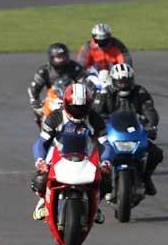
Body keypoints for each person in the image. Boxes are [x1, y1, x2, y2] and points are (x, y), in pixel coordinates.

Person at [31, 83, 113, 224]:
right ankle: (44, 200)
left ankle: (95, 205)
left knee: (106, 179)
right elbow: (41, 142)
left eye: (82, 107)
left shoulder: (94, 119)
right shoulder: (55, 117)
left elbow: (105, 144)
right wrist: (40, 160)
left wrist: (106, 161)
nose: (78, 110)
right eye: (75, 107)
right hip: (58, 155)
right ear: (66, 103)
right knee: (40, 179)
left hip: (86, 156)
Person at [93, 63, 163, 197]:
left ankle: (146, 177)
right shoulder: (105, 93)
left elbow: (150, 111)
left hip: (134, 133)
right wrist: (98, 128)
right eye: (120, 81)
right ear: (113, 80)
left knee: (156, 153)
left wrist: (152, 126)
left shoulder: (140, 92)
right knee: (93, 154)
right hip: (110, 135)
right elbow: (96, 113)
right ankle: (97, 184)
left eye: (126, 81)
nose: (123, 84)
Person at [28, 43, 86, 126]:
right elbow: (33, 89)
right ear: (52, 58)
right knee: (39, 114)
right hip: (52, 100)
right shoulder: (44, 71)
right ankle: (44, 131)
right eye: (59, 57)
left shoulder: (75, 68)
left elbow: (85, 85)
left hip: (73, 101)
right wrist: (36, 104)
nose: (62, 60)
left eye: (63, 56)